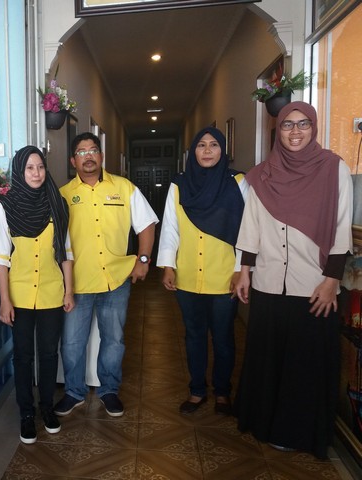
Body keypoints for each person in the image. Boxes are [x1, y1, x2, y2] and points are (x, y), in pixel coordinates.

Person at [234, 101, 353, 458]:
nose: (296, 131)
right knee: (269, 359)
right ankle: (264, 422)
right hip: (268, 282)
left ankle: (297, 431)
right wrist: (245, 271)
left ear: (313, 128)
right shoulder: (261, 174)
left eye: (303, 124)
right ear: (278, 130)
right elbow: (251, 226)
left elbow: (341, 226)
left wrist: (331, 280)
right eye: (288, 125)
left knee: (304, 364)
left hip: (313, 284)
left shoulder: (333, 168)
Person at [54, 132, 158, 418]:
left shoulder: (124, 188)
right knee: (72, 342)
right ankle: (74, 392)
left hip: (116, 278)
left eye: (93, 150)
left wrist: (143, 259)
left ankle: (109, 390)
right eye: (81, 152)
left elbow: (147, 224)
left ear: (101, 156)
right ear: (73, 160)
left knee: (114, 339)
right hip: (77, 282)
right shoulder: (63, 195)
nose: (88, 156)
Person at [156, 126, 248, 415]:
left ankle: (222, 392)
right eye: (201, 145)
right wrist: (168, 265)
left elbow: (248, 229)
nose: (207, 150)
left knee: (223, 338)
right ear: (193, 151)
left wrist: (240, 270)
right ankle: (197, 391)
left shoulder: (238, 182)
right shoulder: (179, 184)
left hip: (224, 276)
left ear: (223, 150)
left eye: (214, 145)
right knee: (194, 336)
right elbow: (170, 227)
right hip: (187, 276)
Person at [0, 145, 74, 445]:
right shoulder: (6, 206)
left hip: (53, 291)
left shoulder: (57, 202)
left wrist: (69, 290)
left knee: (50, 353)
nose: (37, 173)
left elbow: (66, 250)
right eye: (30, 168)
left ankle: (47, 408)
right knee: (23, 356)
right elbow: (1, 258)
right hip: (20, 294)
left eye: (40, 167)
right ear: (19, 171)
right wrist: (5, 300)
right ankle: (26, 413)